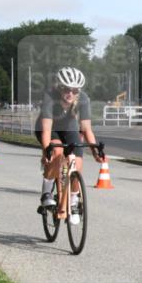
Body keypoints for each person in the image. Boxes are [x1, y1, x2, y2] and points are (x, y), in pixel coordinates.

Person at [34, 67, 104, 223]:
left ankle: (73, 201)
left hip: (69, 127)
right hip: (49, 128)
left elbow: (86, 129)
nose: (70, 93)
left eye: (75, 90)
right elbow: (46, 130)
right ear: (59, 87)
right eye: (66, 89)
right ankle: (47, 192)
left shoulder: (83, 99)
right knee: (57, 151)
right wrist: (47, 152)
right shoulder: (49, 97)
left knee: (77, 163)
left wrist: (94, 151)